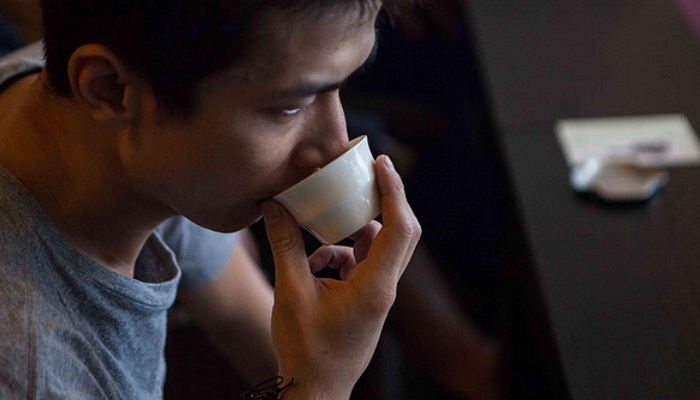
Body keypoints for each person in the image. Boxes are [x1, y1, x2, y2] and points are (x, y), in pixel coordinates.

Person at [0, 1, 422, 399]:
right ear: (110, 90)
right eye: (290, 107)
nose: (335, 148)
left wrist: (324, 361)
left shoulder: (118, 142)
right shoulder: (33, 371)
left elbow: (240, 318)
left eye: (340, 85)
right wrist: (318, 388)